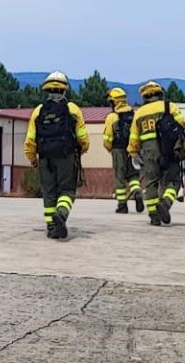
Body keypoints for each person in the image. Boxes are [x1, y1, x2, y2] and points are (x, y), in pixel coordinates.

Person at [23, 72, 89, 239]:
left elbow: (30, 141)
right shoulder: (73, 109)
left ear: (47, 90)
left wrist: (32, 159)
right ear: (64, 90)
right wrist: (81, 150)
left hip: (45, 158)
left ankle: (52, 227)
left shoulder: (38, 111)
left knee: (49, 192)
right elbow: (83, 138)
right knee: (67, 190)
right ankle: (61, 214)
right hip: (66, 156)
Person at [127, 80, 185, 226]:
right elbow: (182, 124)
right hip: (169, 150)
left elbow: (134, 137)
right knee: (174, 181)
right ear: (160, 94)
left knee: (151, 183)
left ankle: (154, 215)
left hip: (149, 152)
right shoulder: (170, 106)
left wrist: (133, 152)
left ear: (145, 97)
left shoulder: (139, 113)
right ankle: (165, 204)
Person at [101, 88, 143, 214]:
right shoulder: (134, 114)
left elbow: (107, 138)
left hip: (118, 150)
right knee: (133, 176)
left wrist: (110, 149)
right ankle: (137, 193)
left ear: (114, 102)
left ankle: (122, 205)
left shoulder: (112, 117)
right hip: (133, 150)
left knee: (120, 177)